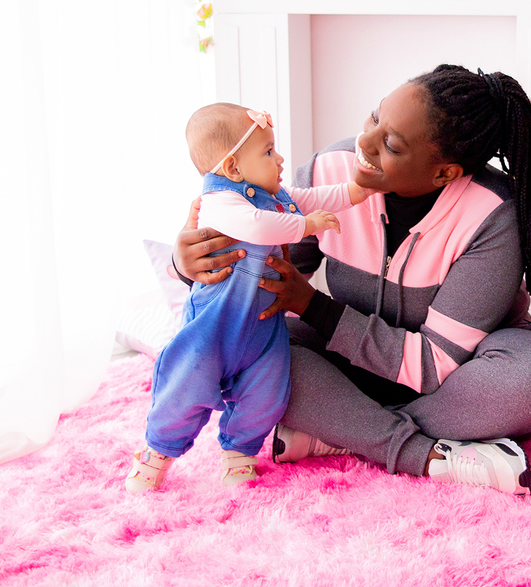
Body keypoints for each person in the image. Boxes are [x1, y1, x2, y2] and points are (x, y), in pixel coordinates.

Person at [173, 66, 531, 496]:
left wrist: (313, 305)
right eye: (375, 118)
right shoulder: (328, 172)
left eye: (390, 144)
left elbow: (434, 364)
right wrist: (193, 264)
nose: (365, 143)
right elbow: (266, 278)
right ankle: (419, 451)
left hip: (458, 376)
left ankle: (339, 429)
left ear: (444, 172)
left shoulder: (492, 214)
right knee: (249, 351)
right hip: (348, 361)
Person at [127, 103, 374, 493]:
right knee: (184, 387)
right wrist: (305, 226)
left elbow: (309, 197)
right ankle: (157, 453)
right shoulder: (220, 203)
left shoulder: (273, 197)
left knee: (267, 392)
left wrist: (353, 192)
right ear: (233, 169)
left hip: (261, 329)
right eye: (267, 152)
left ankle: (240, 453)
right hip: (215, 327)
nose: (279, 160)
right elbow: (255, 226)